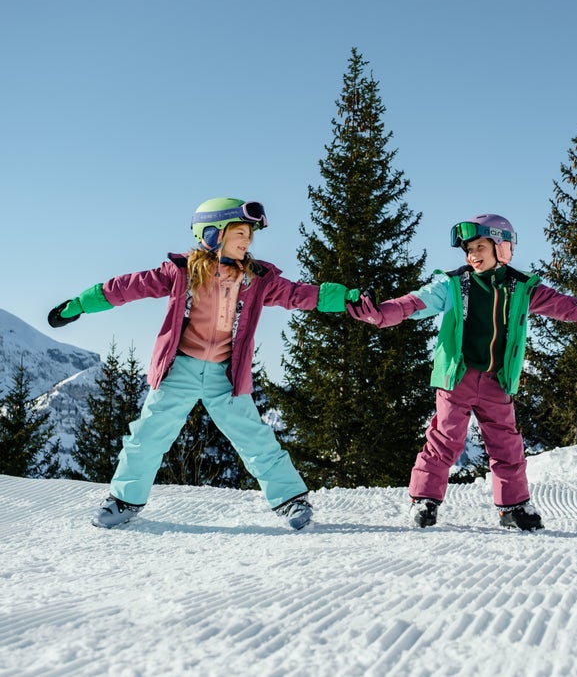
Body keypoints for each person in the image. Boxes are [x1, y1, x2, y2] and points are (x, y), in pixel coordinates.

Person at [48, 197, 359, 530]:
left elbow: (298, 294)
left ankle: (291, 501)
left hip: (225, 375)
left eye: (250, 235)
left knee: (254, 438)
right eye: (239, 232)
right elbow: (130, 286)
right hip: (179, 369)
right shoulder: (181, 272)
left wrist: (344, 297)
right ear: (212, 234)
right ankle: (124, 500)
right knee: (148, 435)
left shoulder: (256, 279)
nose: (247, 241)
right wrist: (81, 303)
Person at [346, 214, 577, 530]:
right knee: (445, 439)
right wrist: (380, 314)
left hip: (498, 380)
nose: (472, 255)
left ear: (503, 247)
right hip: (458, 377)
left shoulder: (524, 289)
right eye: (469, 250)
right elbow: (415, 303)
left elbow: (568, 308)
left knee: (506, 445)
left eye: (480, 246)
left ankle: (513, 507)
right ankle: (425, 501)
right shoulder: (454, 284)